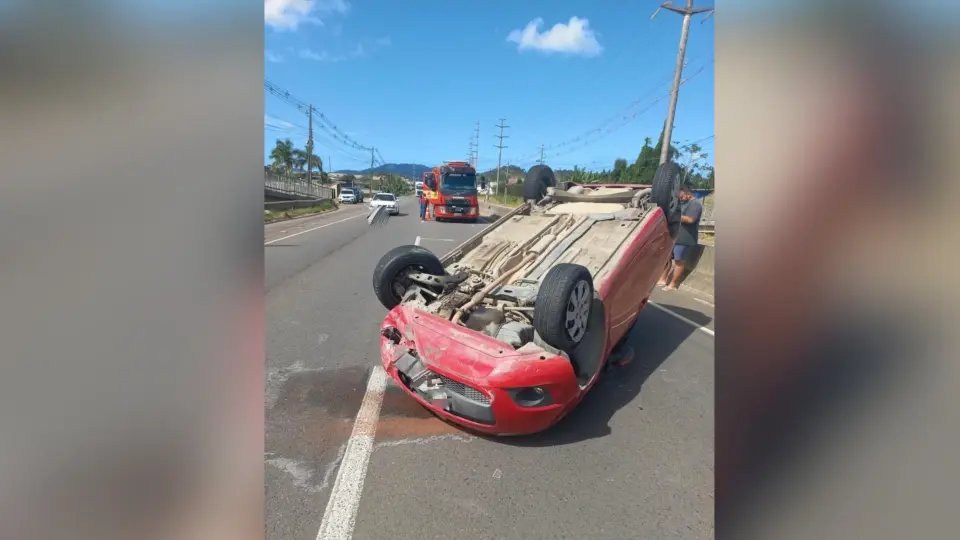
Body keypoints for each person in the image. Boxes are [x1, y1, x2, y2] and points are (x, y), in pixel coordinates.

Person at [658, 185, 703, 291]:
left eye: (682, 196)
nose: (680, 199)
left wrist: (674, 216)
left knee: (678, 260)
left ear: (688, 194)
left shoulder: (695, 204)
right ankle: (662, 279)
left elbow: (691, 219)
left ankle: (673, 284)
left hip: (685, 238)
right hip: (674, 236)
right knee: (667, 258)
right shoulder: (681, 203)